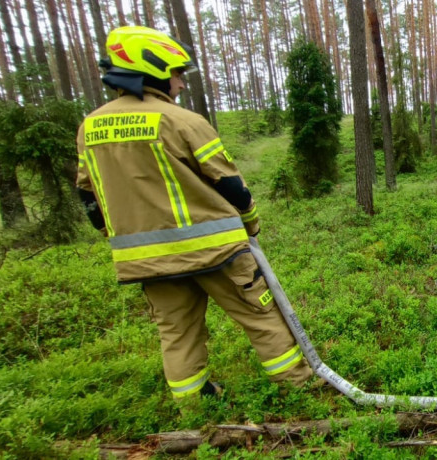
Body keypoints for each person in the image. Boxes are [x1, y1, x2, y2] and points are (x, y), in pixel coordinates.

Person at [76, 26, 312, 400]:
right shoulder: (182, 121)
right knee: (261, 317)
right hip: (216, 250)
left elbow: (88, 195)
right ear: (151, 70)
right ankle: (298, 388)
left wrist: (113, 233)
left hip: (148, 260)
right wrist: (251, 222)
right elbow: (230, 184)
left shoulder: (89, 128)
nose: (182, 84)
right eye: (177, 73)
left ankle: (194, 407)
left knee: (176, 333)